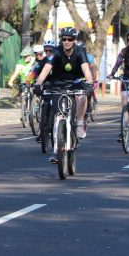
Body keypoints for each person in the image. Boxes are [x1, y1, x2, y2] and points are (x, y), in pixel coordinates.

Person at [36, 27, 94, 163]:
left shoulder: (80, 51)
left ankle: (79, 123)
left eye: (70, 39)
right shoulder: (55, 51)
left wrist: (90, 83)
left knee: (82, 97)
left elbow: (85, 68)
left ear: (75, 40)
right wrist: (38, 84)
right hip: (58, 84)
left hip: (75, 82)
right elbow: (46, 68)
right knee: (58, 117)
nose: (66, 42)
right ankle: (56, 150)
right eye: (64, 39)